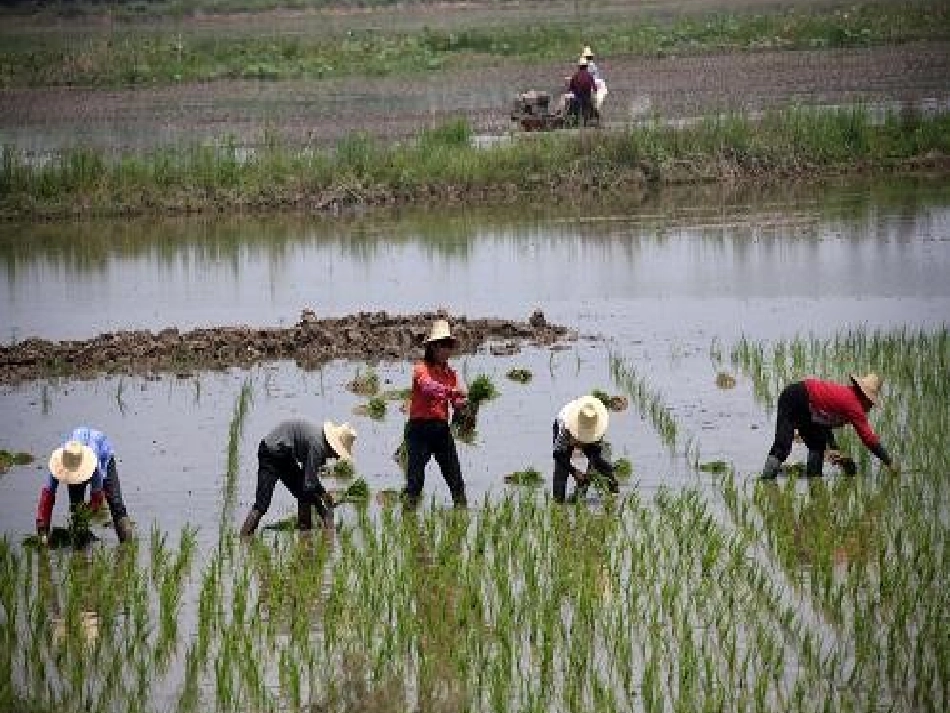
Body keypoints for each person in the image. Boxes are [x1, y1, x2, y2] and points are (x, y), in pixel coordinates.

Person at [761, 373, 897, 479]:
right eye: (871, 403)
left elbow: (823, 421)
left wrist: (834, 449)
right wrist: (889, 463)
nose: (870, 407)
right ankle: (766, 482)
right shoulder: (854, 405)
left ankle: (815, 481)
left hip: (808, 406)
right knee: (782, 445)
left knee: (817, 444)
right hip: (795, 397)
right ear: (865, 397)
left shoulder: (847, 397)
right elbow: (869, 439)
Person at [240, 419, 356, 535]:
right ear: (333, 447)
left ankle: (304, 533)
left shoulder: (319, 443)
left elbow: (308, 478)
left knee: (303, 494)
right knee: (262, 505)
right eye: (337, 454)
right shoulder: (318, 447)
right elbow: (309, 484)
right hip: (270, 453)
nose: (336, 458)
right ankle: (244, 538)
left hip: (285, 455)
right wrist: (323, 512)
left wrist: (323, 494)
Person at [402, 319, 468, 509]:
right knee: (415, 482)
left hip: (441, 431)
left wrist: (464, 404)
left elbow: (455, 403)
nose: (447, 350)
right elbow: (428, 387)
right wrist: (452, 392)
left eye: (449, 345)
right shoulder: (421, 369)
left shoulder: (451, 374)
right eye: (443, 345)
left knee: (456, 480)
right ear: (433, 347)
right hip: (419, 431)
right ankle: (407, 519)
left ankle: (461, 517)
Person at [36, 427, 134, 545]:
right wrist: (42, 528)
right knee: (76, 508)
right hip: (77, 459)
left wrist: (87, 513)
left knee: (115, 501)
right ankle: (81, 546)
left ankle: (127, 545)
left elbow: (97, 499)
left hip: (104, 456)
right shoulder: (61, 461)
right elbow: (48, 494)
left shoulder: (95, 466)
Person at [552, 396, 618, 502]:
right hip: (565, 429)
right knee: (561, 471)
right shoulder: (565, 427)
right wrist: (574, 471)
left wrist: (588, 469)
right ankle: (558, 503)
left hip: (590, 430)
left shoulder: (598, 425)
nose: (581, 443)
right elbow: (558, 454)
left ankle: (613, 492)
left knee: (595, 465)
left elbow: (595, 452)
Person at [568, 56, 596, 125]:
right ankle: (587, 120)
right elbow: (595, 88)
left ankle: (575, 120)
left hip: (578, 97)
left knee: (573, 106)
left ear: (579, 66)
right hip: (587, 97)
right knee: (589, 106)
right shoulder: (589, 76)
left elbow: (570, 88)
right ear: (586, 67)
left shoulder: (575, 76)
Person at [581, 46, 608, 113]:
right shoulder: (593, 65)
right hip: (598, 83)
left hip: (592, 83)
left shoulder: (587, 66)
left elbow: (586, 77)